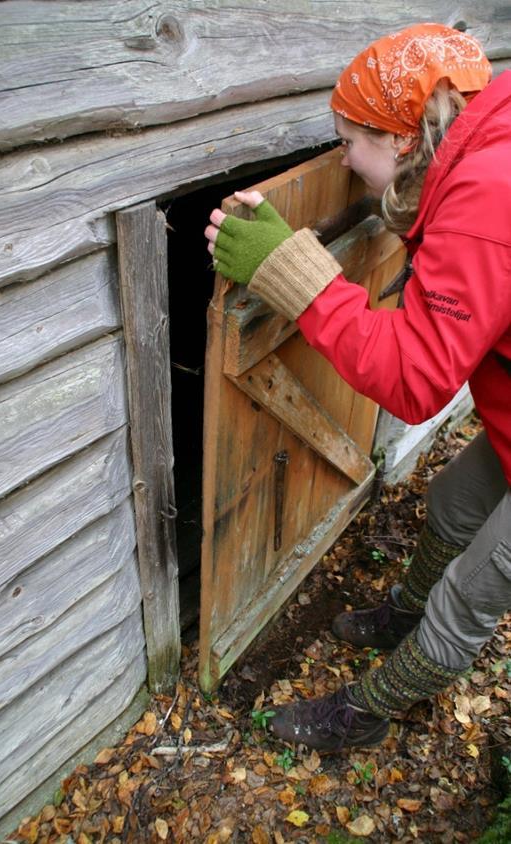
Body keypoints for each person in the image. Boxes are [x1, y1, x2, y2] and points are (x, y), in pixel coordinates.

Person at [204, 22, 511, 753]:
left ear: (403, 140)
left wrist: (295, 276)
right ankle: (407, 607)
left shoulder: (485, 203)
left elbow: (413, 379)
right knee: (450, 502)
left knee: (474, 589)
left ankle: (367, 709)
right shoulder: (484, 145)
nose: (343, 159)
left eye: (347, 143)